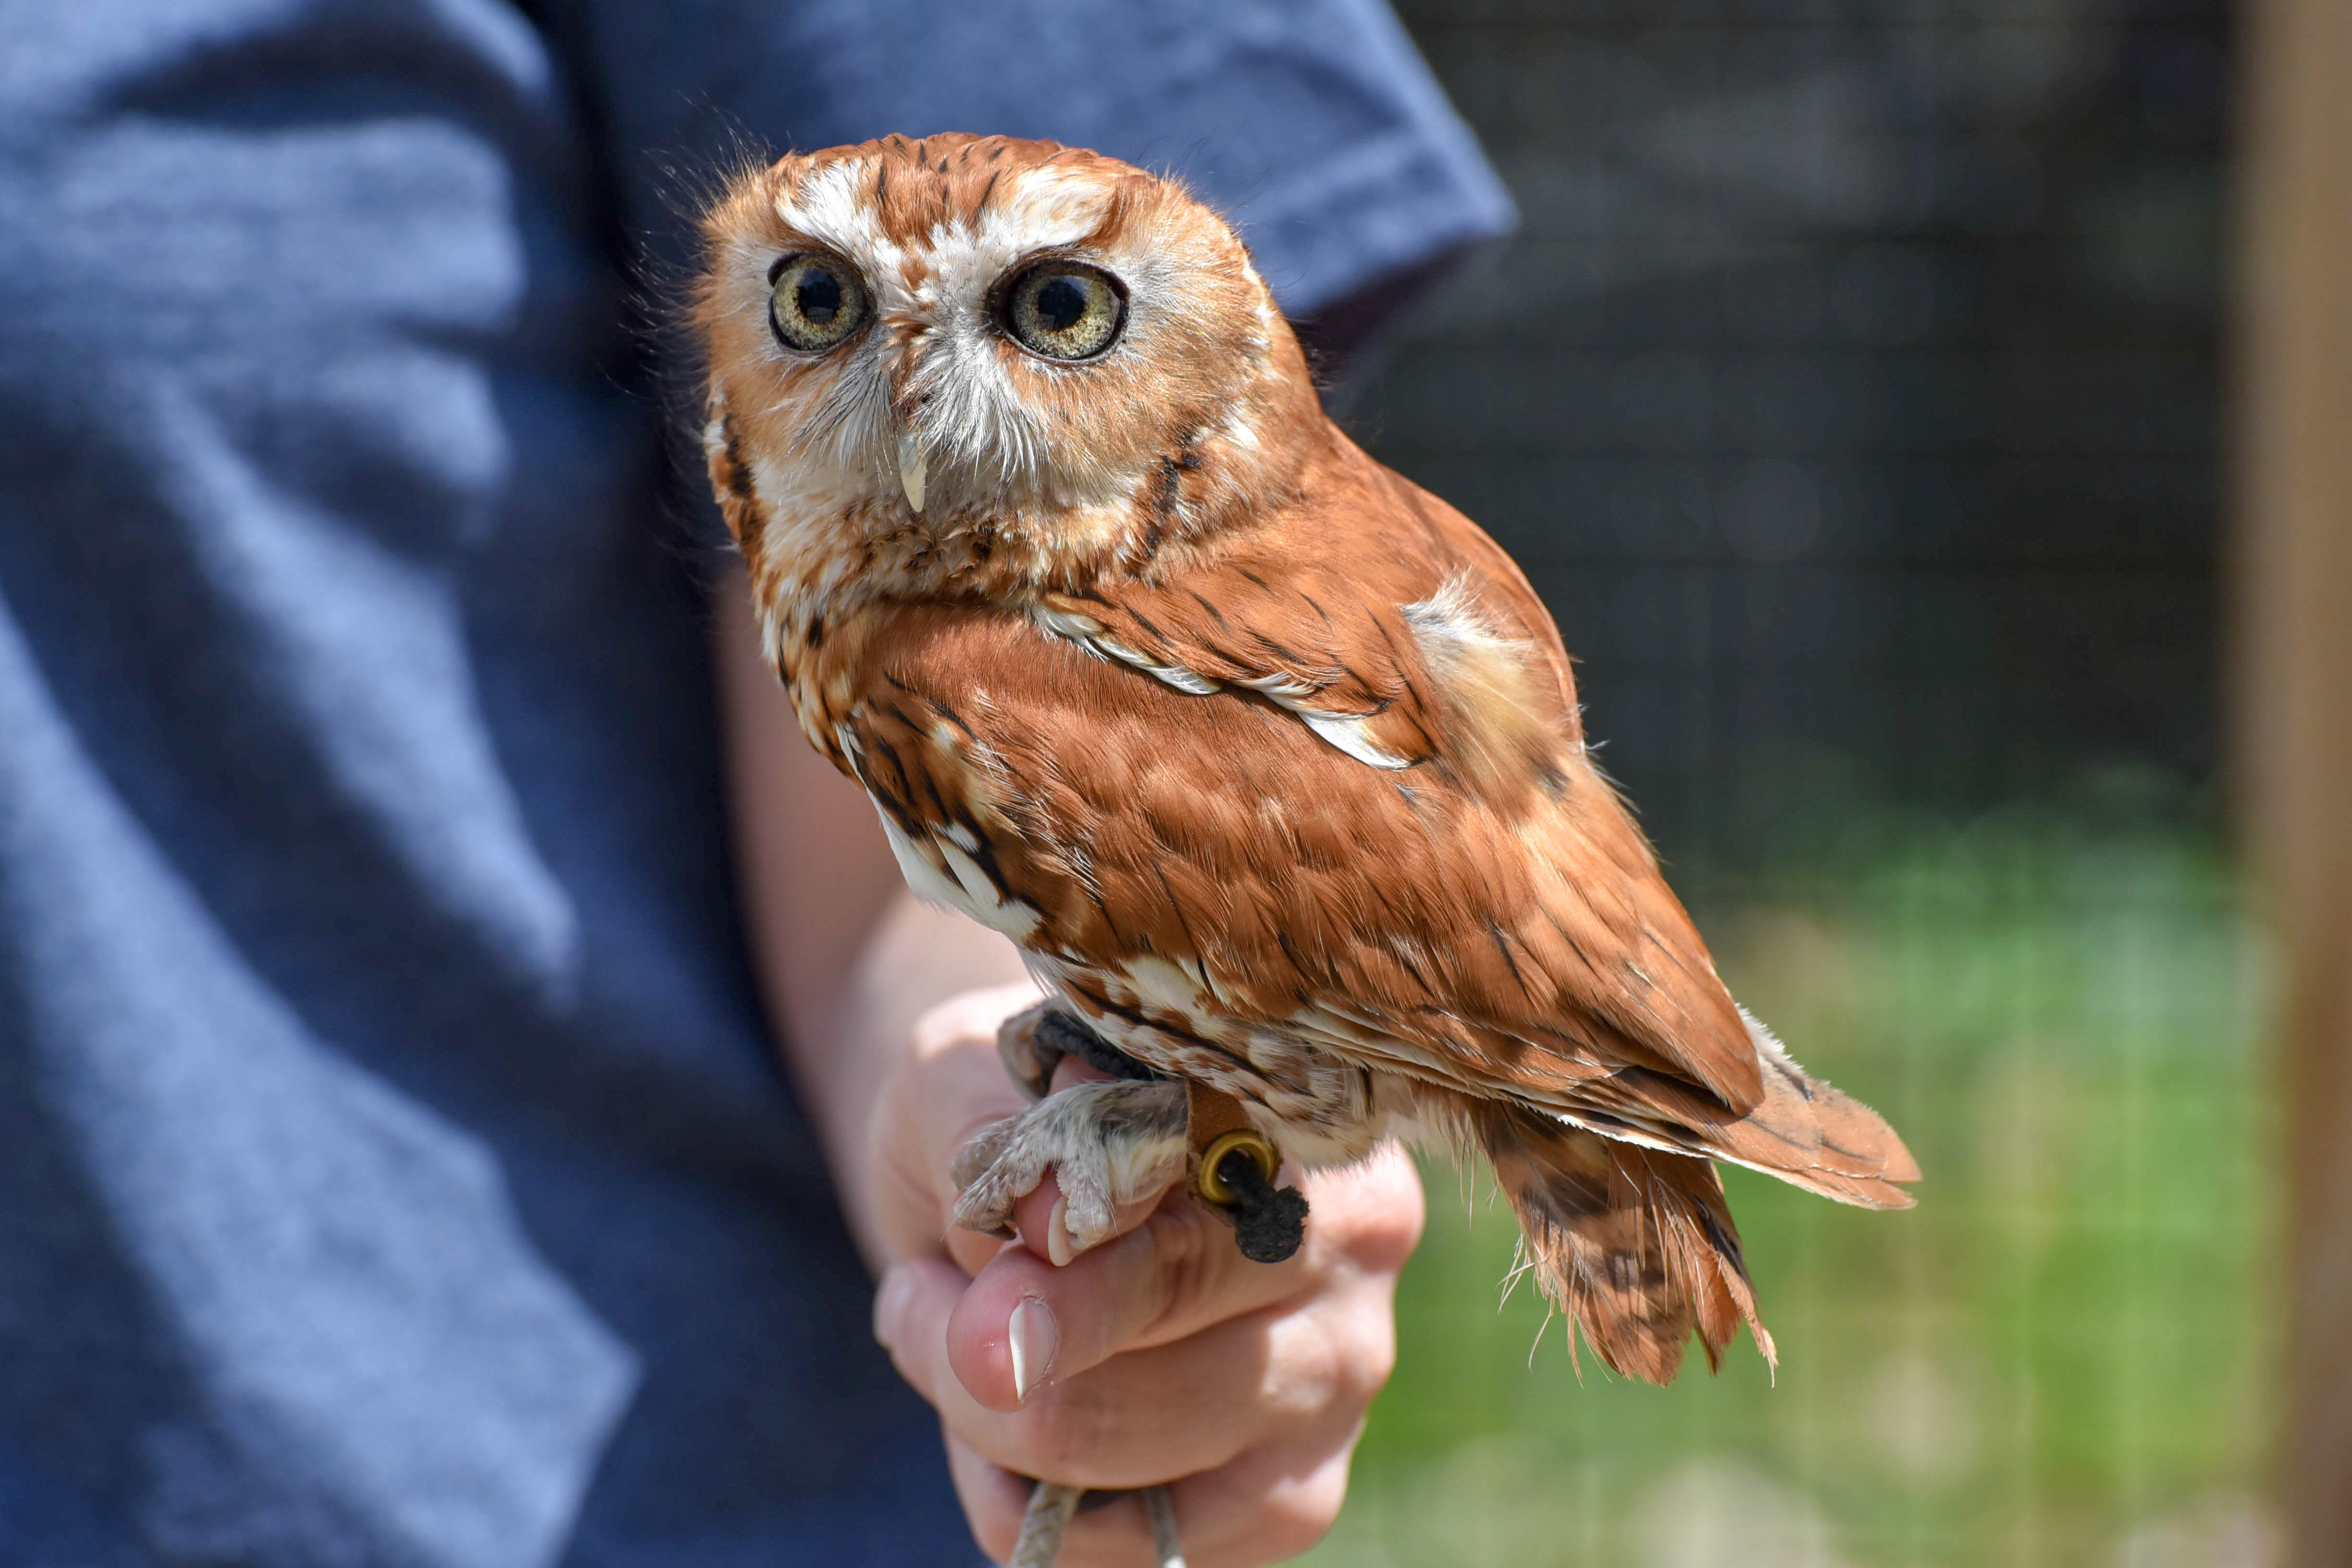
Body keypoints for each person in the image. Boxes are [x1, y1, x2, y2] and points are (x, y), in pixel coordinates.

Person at [0, 2, 1513, 1562]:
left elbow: (922, 863)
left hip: (558, 1475)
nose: (922, 413)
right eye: (814, 305)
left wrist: (1027, 1095)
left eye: (1054, 313)